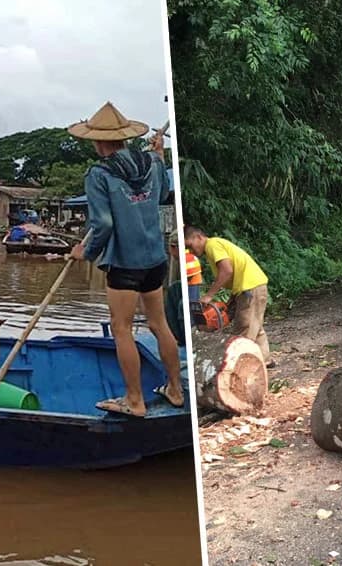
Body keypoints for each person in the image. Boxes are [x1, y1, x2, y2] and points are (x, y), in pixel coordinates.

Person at [68, 101, 183, 417]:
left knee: (121, 328)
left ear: (98, 140)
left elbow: (103, 223)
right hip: (155, 259)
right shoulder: (151, 162)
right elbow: (161, 196)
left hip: (124, 263)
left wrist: (85, 252)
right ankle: (175, 389)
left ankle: (134, 400)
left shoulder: (99, 174)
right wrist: (159, 156)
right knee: (159, 324)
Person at [184, 226, 271, 364]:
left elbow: (226, 270)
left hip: (250, 286)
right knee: (255, 325)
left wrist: (209, 295)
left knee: (244, 328)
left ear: (199, 237)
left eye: (190, 245)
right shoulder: (214, 245)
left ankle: (241, 365)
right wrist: (234, 295)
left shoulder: (212, 245)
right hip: (249, 285)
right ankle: (265, 360)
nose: (191, 251)